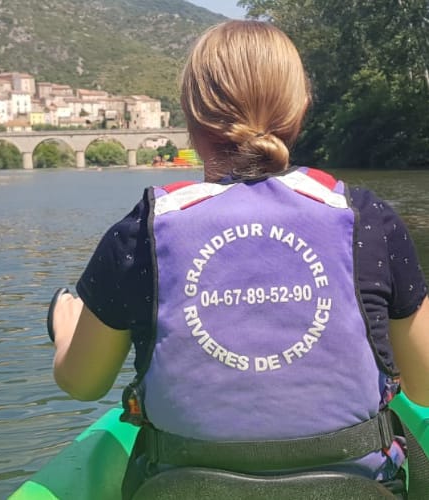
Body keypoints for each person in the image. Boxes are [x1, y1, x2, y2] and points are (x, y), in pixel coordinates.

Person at [50, 20, 429, 498]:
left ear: (190, 118)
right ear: (302, 108)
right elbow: (425, 388)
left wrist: (67, 328)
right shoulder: (366, 219)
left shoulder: (141, 231)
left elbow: (83, 384)